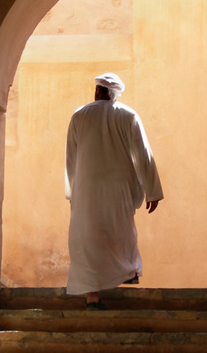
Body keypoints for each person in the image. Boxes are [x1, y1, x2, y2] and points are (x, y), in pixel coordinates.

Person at [65, 72, 163, 309]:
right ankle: (126, 273)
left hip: (87, 190)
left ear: (99, 91)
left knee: (88, 238)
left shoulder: (80, 115)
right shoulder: (128, 115)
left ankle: (92, 296)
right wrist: (152, 191)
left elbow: (71, 157)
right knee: (120, 232)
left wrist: (72, 192)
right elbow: (143, 154)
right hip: (119, 188)